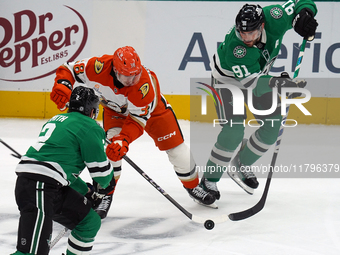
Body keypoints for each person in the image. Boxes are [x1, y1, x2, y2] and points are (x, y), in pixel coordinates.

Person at [50, 46, 216, 219]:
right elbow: (68, 68)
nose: (132, 80)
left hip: (153, 113)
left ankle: (193, 186)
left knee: (177, 150)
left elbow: (137, 121)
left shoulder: (143, 86)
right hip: (115, 112)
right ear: (115, 70)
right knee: (111, 153)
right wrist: (63, 85)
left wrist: (125, 139)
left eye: (135, 75)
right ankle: (106, 194)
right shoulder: (97, 67)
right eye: (127, 76)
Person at [199, 1, 318, 199]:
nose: (246, 38)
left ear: (262, 26)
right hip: (227, 82)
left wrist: (305, 13)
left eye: (251, 34)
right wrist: (281, 84)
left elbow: (299, 2)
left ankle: (241, 163)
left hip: (260, 77)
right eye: (242, 33)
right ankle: (209, 179)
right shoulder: (236, 50)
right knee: (233, 131)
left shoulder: (275, 16)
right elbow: (252, 84)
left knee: (272, 128)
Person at [11, 86, 115, 255]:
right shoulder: (89, 126)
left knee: (89, 222)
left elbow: (59, 167)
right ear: (92, 111)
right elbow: (102, 176)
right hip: (39, 187)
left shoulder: (57, 119)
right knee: (31, 253)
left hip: (45, 185)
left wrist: (86, 191)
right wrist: (108, 184)